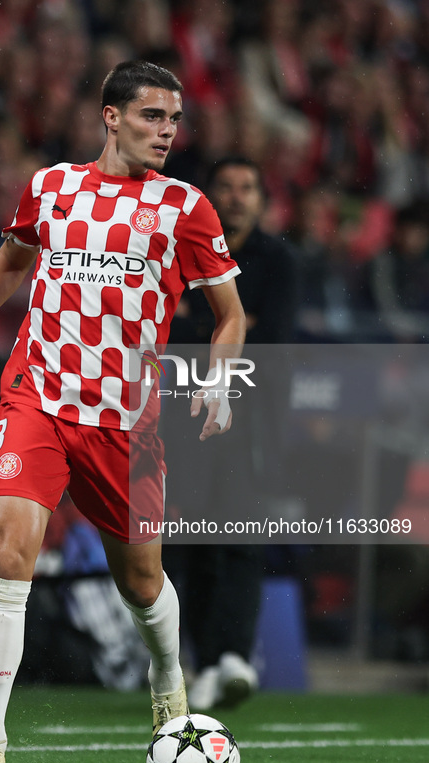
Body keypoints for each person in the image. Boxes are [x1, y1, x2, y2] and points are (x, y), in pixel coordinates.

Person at [0, 60, 245, 763]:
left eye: (173, 119)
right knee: (10, 552)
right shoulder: (50, 187)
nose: (166, 131)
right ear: (110, 117)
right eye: (151, 116)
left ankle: (167, 672)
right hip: (36, 394)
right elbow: (14, 255)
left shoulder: (185, 208)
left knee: (140, 581)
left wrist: (221, 377)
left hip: (127, 423)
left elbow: (229, 315)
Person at [167, 155, 298, 710]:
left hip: (247, 422)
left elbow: (276, 345)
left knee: (240, 540)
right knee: (190, 545)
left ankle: (232, 657)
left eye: (248, 187)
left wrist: (214, 341)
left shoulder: (277, 259)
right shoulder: (183, 249)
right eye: (227, 186)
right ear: (209, 196)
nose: (238, 196)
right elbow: (173, 332)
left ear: (262, 201)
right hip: (183, 419)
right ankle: (203, 661)